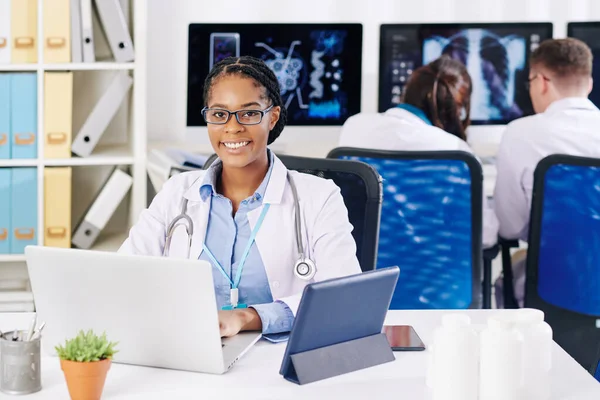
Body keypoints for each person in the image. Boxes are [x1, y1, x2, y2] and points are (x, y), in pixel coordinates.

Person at [119, 56, 361, 337]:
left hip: (279, 356)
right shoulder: (176, 193)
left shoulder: (319, 198)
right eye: (219, 114)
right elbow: (124, 276)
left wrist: (248, 317)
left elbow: (342, 297)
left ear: (272, 117)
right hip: (189, 349)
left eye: (248, 113)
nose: (232, 128)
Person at [339, 55, 499, 248]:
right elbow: (485, 236)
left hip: (368, 273)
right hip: (433, 273)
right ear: (457, 110)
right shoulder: (457, 153)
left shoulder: (354, 126)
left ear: (408, 92)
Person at [493, 38, 600, 307]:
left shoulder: (521, 133)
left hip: (554, 287)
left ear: (541, 82)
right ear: (588, 84)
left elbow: (509, 227)